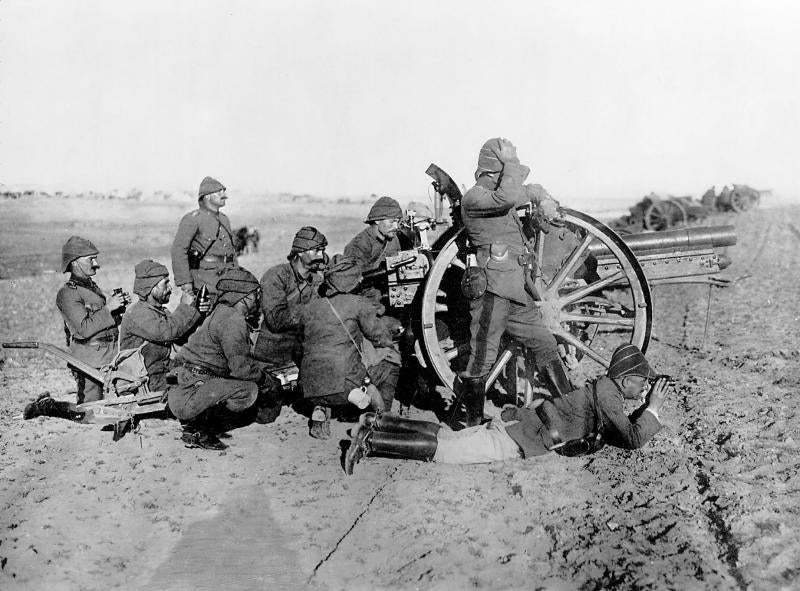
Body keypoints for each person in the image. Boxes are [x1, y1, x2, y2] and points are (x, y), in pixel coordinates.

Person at [345, 344, 671, 474]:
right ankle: (371, 442)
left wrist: (644, 406)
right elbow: (630, 438)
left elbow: (618, 426)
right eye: (642, 383)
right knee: (444, 453)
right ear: (625, 381)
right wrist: (652, 408)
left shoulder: (603, 388)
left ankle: (378, 420)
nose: (644, 389)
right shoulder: (610, 398)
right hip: (516, 439)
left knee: (447, 437)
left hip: (515, 424)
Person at [456, 137, 570, 429]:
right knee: (482, 358)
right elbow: (508, 197)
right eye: (504, 170)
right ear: (495, 171)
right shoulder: (475, 198)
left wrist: (543, 197)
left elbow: (526, 191)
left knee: (545, 343)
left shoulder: (497, 192)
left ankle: (572, 411)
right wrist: (512, 163)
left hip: (517, 292)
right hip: (492, 293)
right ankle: (473, 427)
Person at [169, 267, 281, 450]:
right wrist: (267, 381)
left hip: (181, 383)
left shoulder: (221, 311)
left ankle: (203, 425)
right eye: (256, 294)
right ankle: (199, 429)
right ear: (245, 298)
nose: (258, 299)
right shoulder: (233, 321)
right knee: (249, 390)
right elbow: (241, 369)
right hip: (189, 392)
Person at [297, 256, 399, 439]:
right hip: (346, 386)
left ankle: (320, 410)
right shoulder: (357, 303)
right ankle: (382, 418)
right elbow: (378, 335)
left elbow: (299, 346)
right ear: (351, 282)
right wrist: (391, 339)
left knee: (329, 366)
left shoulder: (309, 308)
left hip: (309, 387)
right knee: (391, 360)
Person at [55, 236, 129, 404]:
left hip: (110, 356)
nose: (96, 264)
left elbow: (104, 323)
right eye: (91, 259)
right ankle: (46, 406)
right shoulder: (68, 293)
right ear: (75, 262)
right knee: (90, 409)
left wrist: (118, 310)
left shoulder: (92, 288)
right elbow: (83, 329)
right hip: (88, 361)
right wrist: (109, 308)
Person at [118, 260, 208, 392]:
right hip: (146, 380)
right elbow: (169, 332)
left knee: (206, 375)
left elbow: (180, 337)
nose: (170, 288)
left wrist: (198, 312)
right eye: (165, 283)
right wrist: (184, 307)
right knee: (195, 383)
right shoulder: (137, 313)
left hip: (163, 374)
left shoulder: (159, 311)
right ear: (151, 287)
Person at [253, 226, 328, 369]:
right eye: (317, 250)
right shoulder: (277, 276)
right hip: (271, 355)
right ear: (300, 252)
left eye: (323, 251)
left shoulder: (318, 279)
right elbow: (276, 320)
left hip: (302, 354)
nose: (321, 256)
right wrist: (314, 311)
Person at [171, 176, 238, 298]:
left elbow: (231, 251)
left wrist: (236, 273)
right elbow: (179, 251)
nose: (225, 195)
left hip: (228, 280)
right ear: (207, 196)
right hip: (204, 282)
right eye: (219, 192)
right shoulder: (193, 219)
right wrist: (185, 282)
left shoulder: (224, 219)